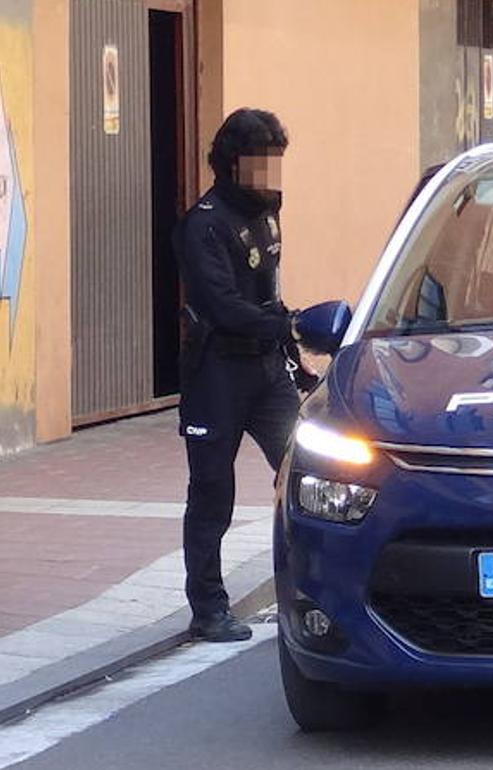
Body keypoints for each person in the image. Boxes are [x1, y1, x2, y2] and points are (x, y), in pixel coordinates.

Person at [174, 108, 316, 642]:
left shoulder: (268, 212)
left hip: (265, 372)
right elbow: (225, 306)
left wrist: (292, 351)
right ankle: (208, 608)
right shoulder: (204, 224)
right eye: (264, 161)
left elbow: (268, 294)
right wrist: (291, 322)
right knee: (212, 493)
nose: (273, 173)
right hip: (217, 374)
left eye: (277, 160)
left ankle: (314, 585)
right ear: (235, 163)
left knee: (307, 471)